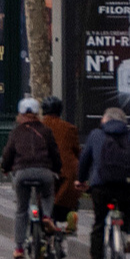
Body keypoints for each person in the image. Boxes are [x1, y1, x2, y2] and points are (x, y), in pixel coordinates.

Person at [79, 104, 130, 259]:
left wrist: (80, 180)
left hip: (101, 187)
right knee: (126, 204)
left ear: (105, 120)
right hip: (125, 185)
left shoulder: (95, 135)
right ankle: (129, 234)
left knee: (99, 225)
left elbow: (84, 161)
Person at [2, 98, 66, 259]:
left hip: (22, 173)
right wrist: (57, 170)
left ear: (21, 114)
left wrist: (5, 168)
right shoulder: (45, 130)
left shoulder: (16, 132)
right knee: (46, 194)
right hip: (44, 172)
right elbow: (55, 154)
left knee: (21, 210)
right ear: (37, 114)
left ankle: (19, 248)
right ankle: (46, 216)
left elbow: (8, 154)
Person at [43, 97, 84, 231]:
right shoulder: (69, 128)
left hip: (45, 168)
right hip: (67, 170)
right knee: (68, 195)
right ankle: (70, 215)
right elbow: (77, 151)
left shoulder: (38, 127)